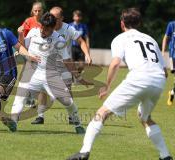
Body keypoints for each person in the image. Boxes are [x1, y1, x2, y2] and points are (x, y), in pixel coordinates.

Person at [67, 8, 173, 160]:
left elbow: (116, 63)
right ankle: (165, 156)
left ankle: (84, 152)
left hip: (138, 78)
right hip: (158, 81)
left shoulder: (120, 38)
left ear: (122, 24)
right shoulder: (151, 39)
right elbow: (164, 70)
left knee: (102, 113)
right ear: (139, 23)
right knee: (145, 118)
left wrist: (107, 86)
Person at [4, 12, 86, 134]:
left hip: (51, 75)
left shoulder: (59, 40)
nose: (42, 30)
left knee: (68, 102)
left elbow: (67, 60)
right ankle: (13, 122)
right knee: (20, 96)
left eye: (46, 29)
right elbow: (22, 46)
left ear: (53, 28)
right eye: (41, 27)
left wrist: (77, 76)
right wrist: (20, 34)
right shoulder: (33, 32)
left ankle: (78, 124)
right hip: (31, 71)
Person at [31, 6, 92, 125]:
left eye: (56, 18)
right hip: (47, 66)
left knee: (67, 91)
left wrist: (87, 55)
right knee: (43, 91)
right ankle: (40, 116)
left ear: (62, 18)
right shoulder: (44, 28)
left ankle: (72, 116)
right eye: (51, 16)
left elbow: (81, 41)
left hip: (64, 65)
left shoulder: (68, 29)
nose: (53, 19)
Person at [162, 20, 175, 106]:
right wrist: (163, 51)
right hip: (173, 55)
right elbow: (166, 37)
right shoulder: (172, 24)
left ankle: (172, 93)